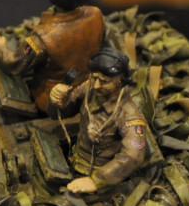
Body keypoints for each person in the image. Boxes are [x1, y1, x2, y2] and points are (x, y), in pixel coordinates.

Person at [0, 0, 104, 114]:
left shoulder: (41, 38)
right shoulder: (96, 14)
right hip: (89, 86)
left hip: (54, 98)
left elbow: (15, 62)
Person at [48, 48, 149, 193]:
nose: (96, 85)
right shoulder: (88, 89)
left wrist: (97, 180)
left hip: (102, 175)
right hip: (75, 159)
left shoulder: (129, 115)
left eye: (104, 81)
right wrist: (57, 100)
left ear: (121, 81)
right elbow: (61, 113)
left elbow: (134, 155)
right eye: (94, 78)